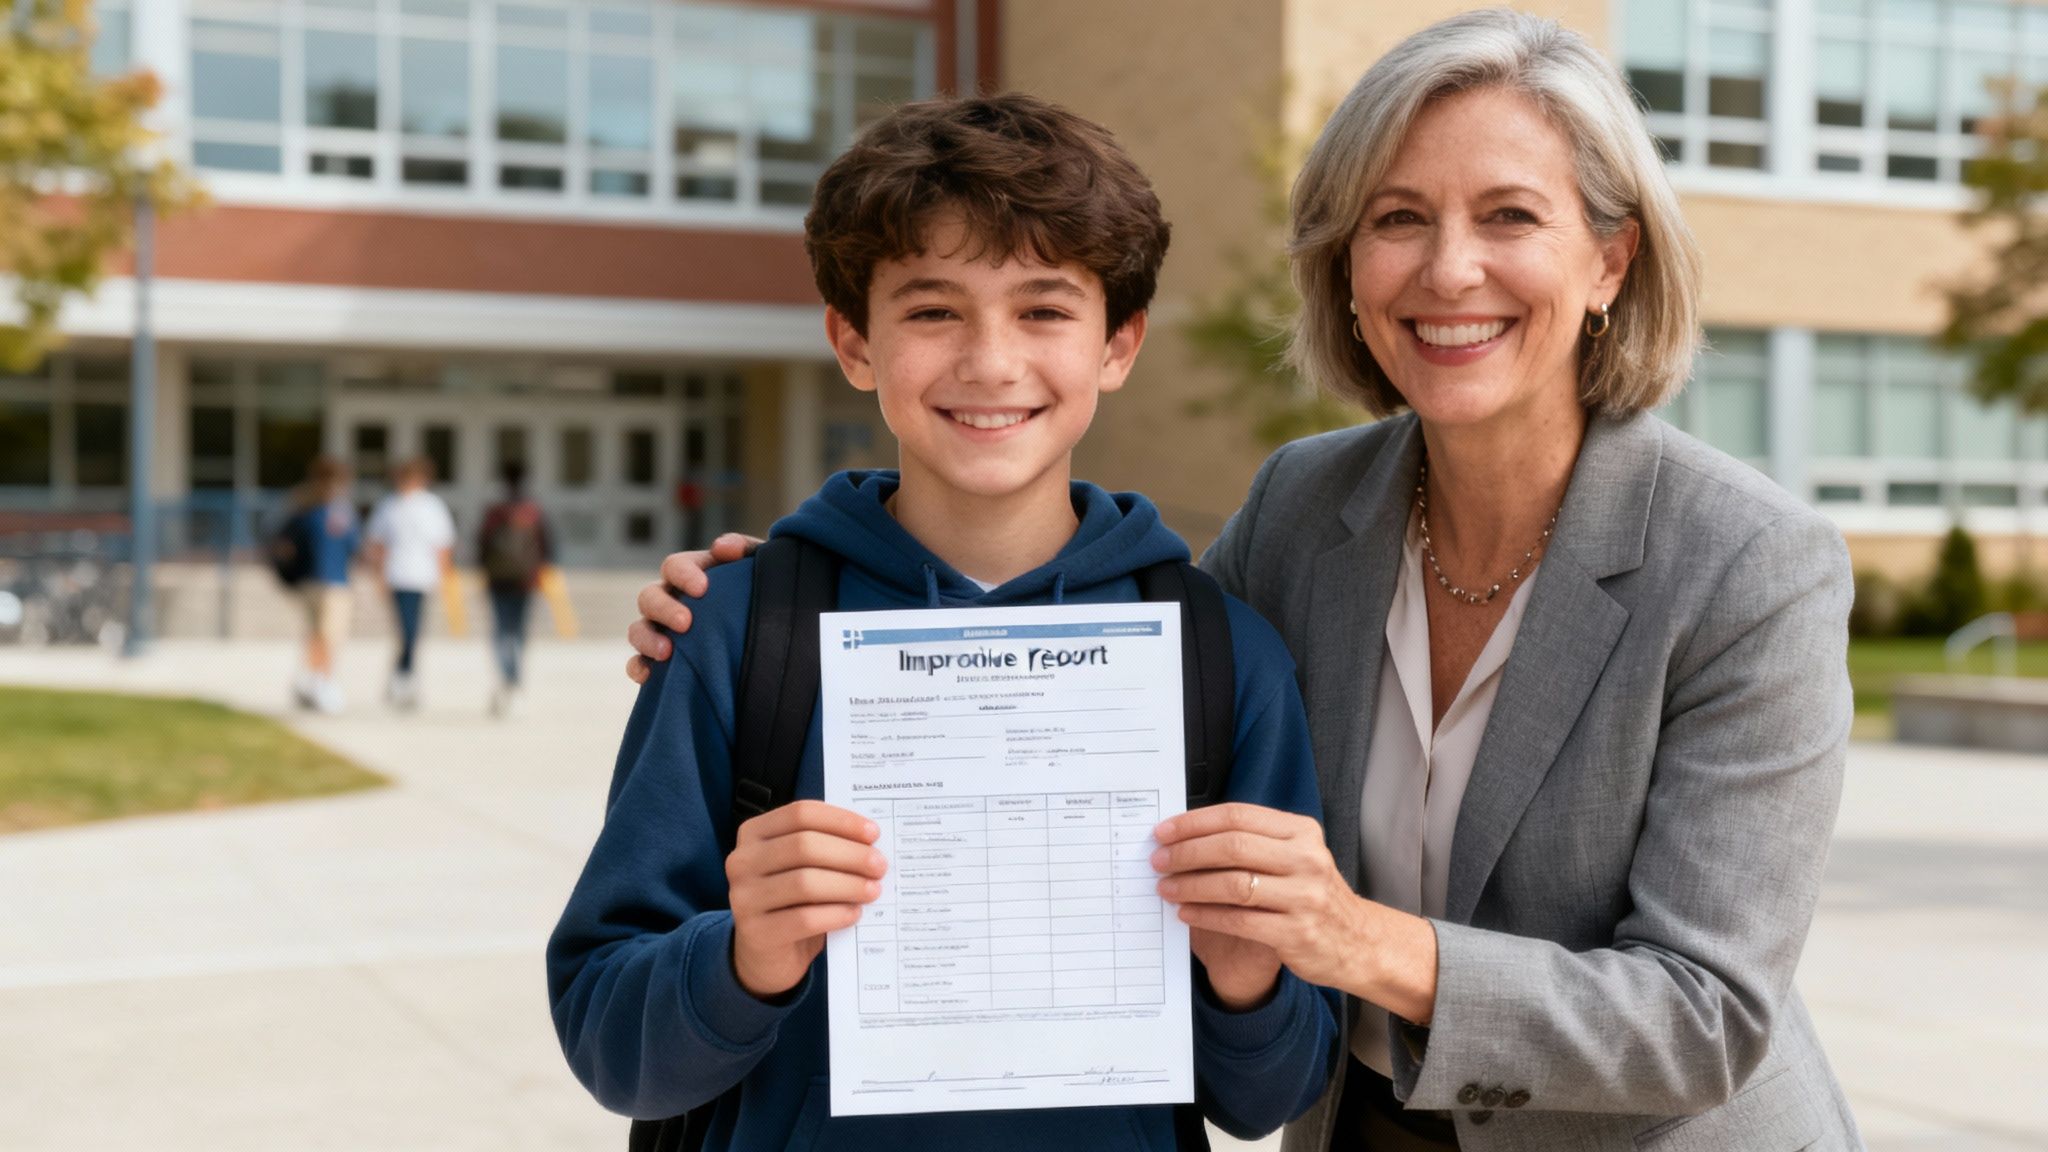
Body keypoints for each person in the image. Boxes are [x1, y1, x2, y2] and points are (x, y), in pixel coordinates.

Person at [624, 12, 1863, 1151]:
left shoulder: (1748, 565)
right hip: (1354, 1129)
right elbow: (1095, 659)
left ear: (1608, 261)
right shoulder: (1302, 509)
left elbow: (1703, 1015)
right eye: (1395, 219)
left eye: (1508, 217)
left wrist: (1355, 943)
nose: (1446, 272)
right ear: (1344, 262)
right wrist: (778, 596)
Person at [547, 93, 1341, 1150]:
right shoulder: (741, 634)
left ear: (1118, 344)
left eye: (1044, 309)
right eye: (931, 310)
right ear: (853, 341)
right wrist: (741, 956)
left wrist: (1247, 980)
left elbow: (1267, 1098)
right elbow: (612, 1048)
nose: (988, 361)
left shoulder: (1215, 654)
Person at [365, 455, 456, 712]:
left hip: (422, 576)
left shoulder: (432, 506)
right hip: (398, 576)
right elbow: (378, 545)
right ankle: (403, 677)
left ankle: (404, 676)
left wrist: (444, 576)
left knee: (413, 632)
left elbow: (443, 545)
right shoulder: (389, 506)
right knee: (406, 631)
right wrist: (379, 577)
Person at [477, 459, 554, 718]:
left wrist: (484, 570)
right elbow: (546, 544)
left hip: (499, 579)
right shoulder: (532, 509)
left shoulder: (495, 510)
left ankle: (505, 677)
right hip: (525, 579)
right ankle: (515, 679)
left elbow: (483, 544)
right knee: (518, 631)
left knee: (500, 630)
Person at [285, 454, 358, 715]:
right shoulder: (336, 512)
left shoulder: (304, 507)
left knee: (316, 633)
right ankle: (322, 682)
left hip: (311, 581)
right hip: (332, 582)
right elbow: (352, 546)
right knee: (329, 635)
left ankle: (312, 679)